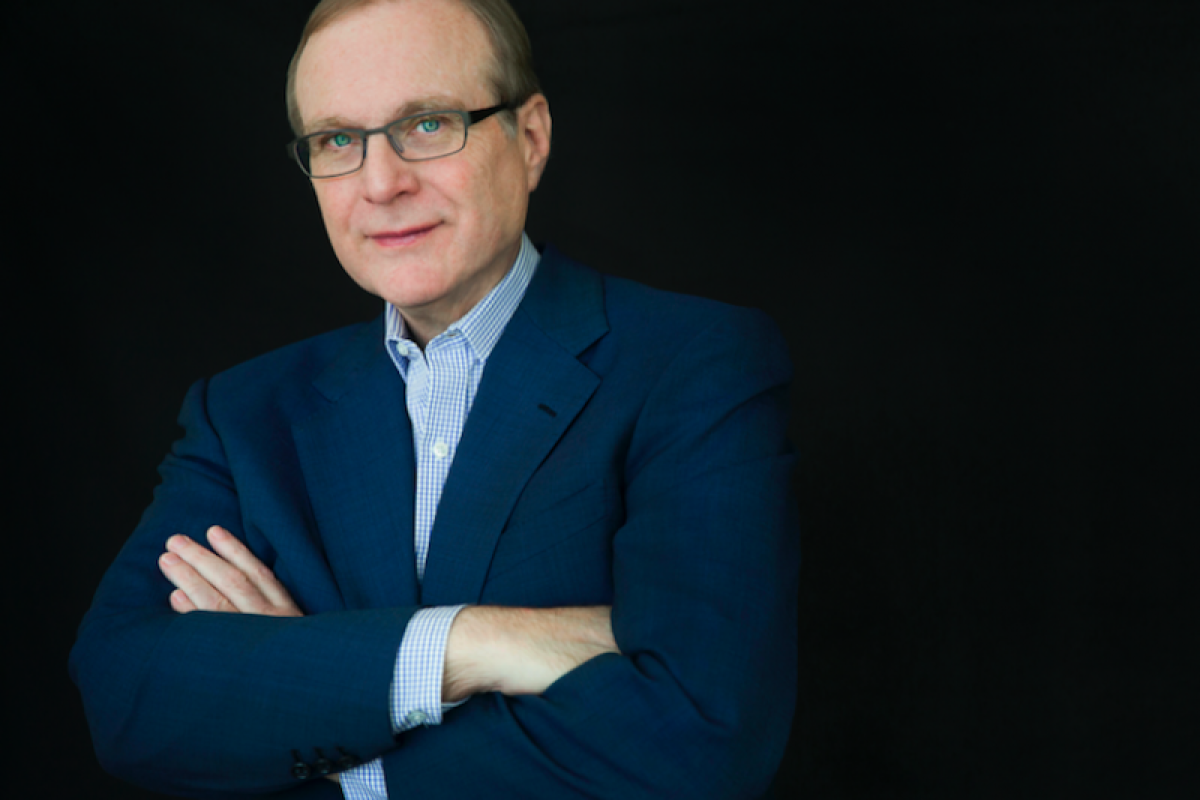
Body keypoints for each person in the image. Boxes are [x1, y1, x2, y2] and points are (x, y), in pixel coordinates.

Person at [69, 0, 799, 797]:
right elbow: (123, 697)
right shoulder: (243, 416)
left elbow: (701, 741)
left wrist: (316, 711)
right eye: (338, 140)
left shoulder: (692, 364)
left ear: (530, 138)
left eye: (427, 124)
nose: (382, 184)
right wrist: (467, 645)